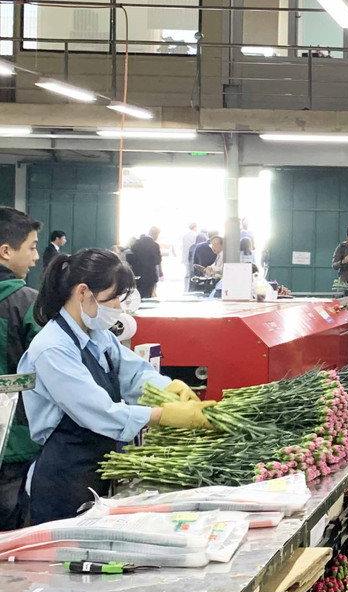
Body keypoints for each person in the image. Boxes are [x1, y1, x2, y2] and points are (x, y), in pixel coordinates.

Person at [18, 249, 215, 524]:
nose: (119, 309)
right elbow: (99, 412)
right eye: (113, 299)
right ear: (83, 292)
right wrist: (162, 415)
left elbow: (133, 373)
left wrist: (168, 389)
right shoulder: (52, 349)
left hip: (95, 467)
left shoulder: (97, 336)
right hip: (62, 480)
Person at [0, 209, 42, 531]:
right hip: (13, 441)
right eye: (31, 247)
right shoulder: (27, 304)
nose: (36, 257)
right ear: (6, 251)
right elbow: (53, 369)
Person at [129, 226, 163, 299]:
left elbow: (131, 258)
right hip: (150, 277)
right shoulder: (155, 245)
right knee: (148, 298)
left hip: (137, 276)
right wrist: (160, 274)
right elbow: (157, 261)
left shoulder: (136, 243)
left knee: (137, 298)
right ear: (156, 234)